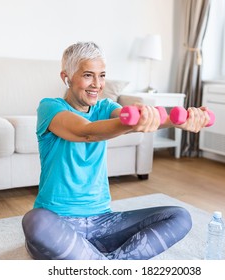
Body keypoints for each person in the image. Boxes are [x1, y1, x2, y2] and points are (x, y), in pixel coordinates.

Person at [22, 41, 211, 260]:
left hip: (103, 223)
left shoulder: (106, 107)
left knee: (179, 217)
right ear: (66, 77)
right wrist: (132, 123)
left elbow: (127, 118)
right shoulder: (50, 107)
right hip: (57, 221)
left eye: (102, 76)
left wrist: (177, 121)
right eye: (88, 75)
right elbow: (86, 132)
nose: (97, 84)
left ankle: (104, 264)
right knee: (35, 221)